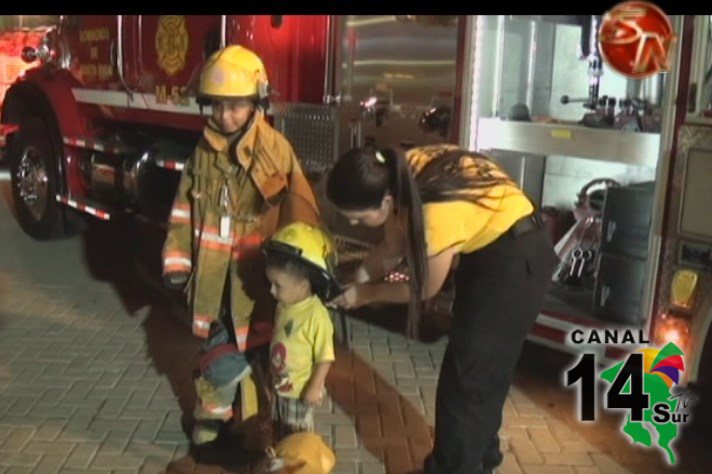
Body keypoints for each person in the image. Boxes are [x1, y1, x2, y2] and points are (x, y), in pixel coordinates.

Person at [325, 144, 557, 474]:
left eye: (359, 218)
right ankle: (480, 461)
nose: (356, 224)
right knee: (480, 371)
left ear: (386, 202)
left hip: (515, 262)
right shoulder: (400, 171)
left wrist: (366, 294)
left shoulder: (432, 213)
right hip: (495, 247)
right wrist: (355, 282)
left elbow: (424, 289)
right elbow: (391, 246)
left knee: (467, 380)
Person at [161, 45, 320, 445]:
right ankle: (211, 418)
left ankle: (279, 427)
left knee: (276, 358)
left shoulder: (275, 150)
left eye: (235, 106)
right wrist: (176, 263)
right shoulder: (202, 153)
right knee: (218, 357)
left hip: (261, 285)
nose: (224, 116)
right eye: (215, 106)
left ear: (256, 101)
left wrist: (305, 275)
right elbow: (183, 210)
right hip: (215, 286)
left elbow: (299, 212)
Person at [262, 222, 340, 440]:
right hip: (281, 386)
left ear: (304, 286)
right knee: (280, 429)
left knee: (297, 436)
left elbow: (325, 358)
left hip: (300, 392)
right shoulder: (283, 305)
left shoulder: (316, 315)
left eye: (278, 285)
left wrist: (315, 388)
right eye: (271, 283)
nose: (271, 290)